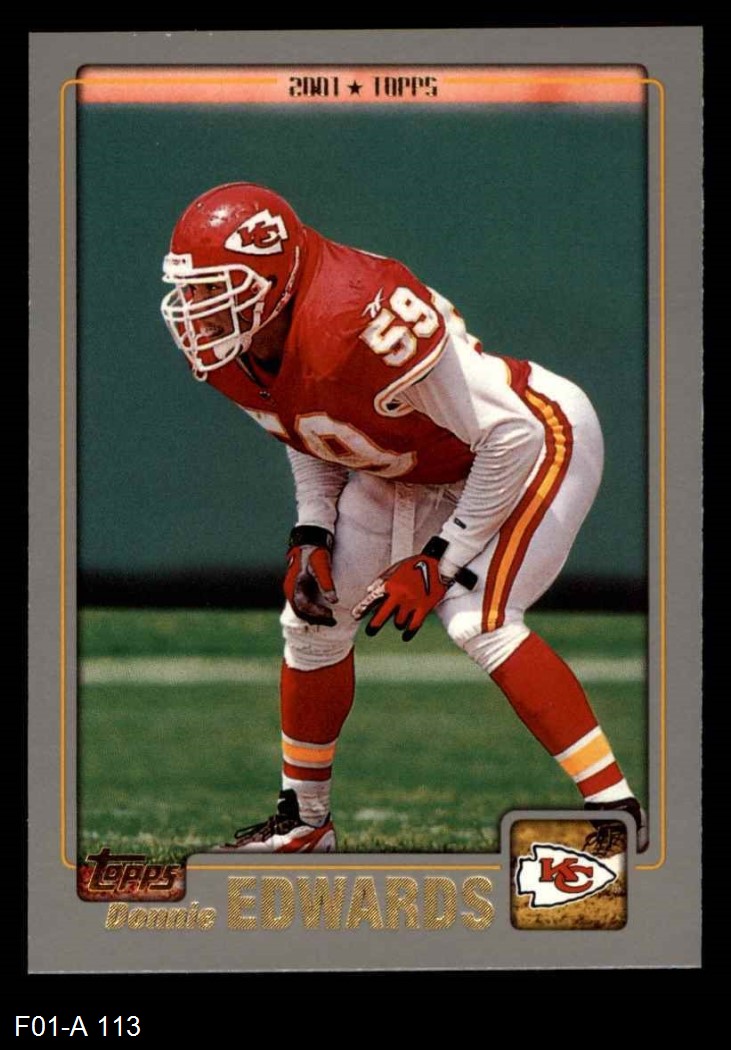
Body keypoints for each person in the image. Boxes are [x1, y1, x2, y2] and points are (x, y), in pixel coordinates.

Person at [160, 181, 647, 855]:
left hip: (530, 437)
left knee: (478, 618)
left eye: (219, 289)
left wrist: (439, 562)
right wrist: (311, 530)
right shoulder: (237, 347)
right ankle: (306, 821)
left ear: (276, 278)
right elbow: (305, 427)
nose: (199, 312)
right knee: (313, 619)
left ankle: (616, 813)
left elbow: (507, 436)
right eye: (190, 290)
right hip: (412, 466)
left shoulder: (357, 313)